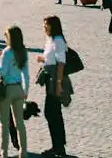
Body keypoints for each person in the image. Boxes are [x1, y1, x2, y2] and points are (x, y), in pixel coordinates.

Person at [35, 15, 73, 158]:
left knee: (52, 113)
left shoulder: (58, 41)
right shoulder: (50, 39)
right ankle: (58, 146)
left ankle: (58, 147)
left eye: (46, 24)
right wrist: (42, 59)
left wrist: (58, 84)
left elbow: (61, 63)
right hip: (50, 79)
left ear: (53, 26)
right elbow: (50, 58)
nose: (44, 27)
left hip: (55, 80)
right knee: (52, 113)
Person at [0, 25, 30, 158]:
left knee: (4, 123)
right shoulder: (23, 51)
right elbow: (26, 74)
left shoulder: (7, 52)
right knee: (20, 123)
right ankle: (23, 152)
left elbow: (3, 72)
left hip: (7, 89)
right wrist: (25, 90)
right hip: (18, 89)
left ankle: (4, 152)